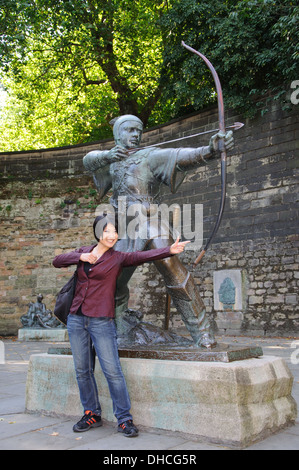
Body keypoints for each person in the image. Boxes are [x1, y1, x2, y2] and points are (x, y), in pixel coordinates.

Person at [83, 115, 234, 348]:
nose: (136, 135)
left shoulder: (149, 156)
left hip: (149, 221)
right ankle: (117, 324)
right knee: (111, 279)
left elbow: (181, 156)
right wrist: (107, 155)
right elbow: (88, 160)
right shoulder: (110, 160)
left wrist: (211, 150)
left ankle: (202, 332)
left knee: (171, 266)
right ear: (117, 134)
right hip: (121, 228)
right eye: (130, 130)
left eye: (138, 130)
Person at [52, 214, 190, 437]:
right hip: (76, 319)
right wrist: (82, 257)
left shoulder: (118, 258)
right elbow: (57, 260)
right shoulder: (83, 252)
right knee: (82, 371)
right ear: (98, 232)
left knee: (112, 371)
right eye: (107, 231)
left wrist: (168, 251)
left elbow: (141, 255)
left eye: (115, 232)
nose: (112, 235)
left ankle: (124, 419)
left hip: (101, 322)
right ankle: (91, 413)